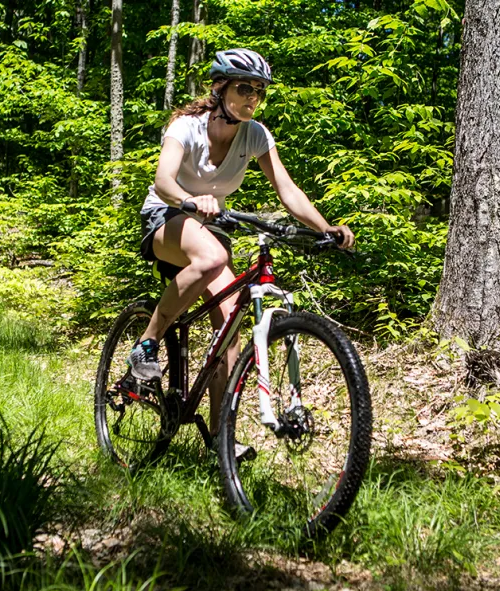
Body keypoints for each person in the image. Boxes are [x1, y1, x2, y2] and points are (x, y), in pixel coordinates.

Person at [129, 48, 354, 443]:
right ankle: (146, 346)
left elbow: (287, 190)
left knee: (230, 323)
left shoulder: (255, 134)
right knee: (213, 255)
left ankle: (220, 439)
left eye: (260, 91)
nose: (253, 97)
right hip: (165, 217)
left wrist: (325, 227)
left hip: (211, 225)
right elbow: (164, 180)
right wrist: (190, 200)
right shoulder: (186, 127)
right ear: (220, 88)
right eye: (245, 88)